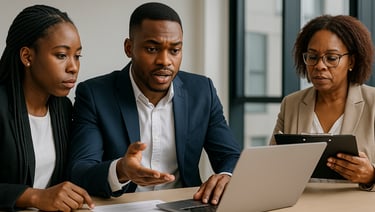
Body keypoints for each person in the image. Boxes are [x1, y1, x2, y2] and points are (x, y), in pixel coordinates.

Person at [68, 2, 240, 205]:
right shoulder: (95, 94)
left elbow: (230, 155)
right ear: (129, 48)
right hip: (123, 206)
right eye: (152, 49)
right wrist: (121, 170)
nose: (165, 61)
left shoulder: (202, 91)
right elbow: (80, 171)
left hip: (185, 205)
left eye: (174, 50)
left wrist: (227, 175)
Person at [0, 5, 95, 211]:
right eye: (61, 55)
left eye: (77, 56)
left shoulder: (63, 108)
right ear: (27, 56)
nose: (73, 67)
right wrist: (33, 197)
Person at [269, 15, 375, 191]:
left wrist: (371, 174)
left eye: (331, 58)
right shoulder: (292, 104)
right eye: (312, 57)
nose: (319, 66)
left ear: (351, 61)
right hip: (301, 205)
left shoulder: (373, 103)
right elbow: (271, 164)